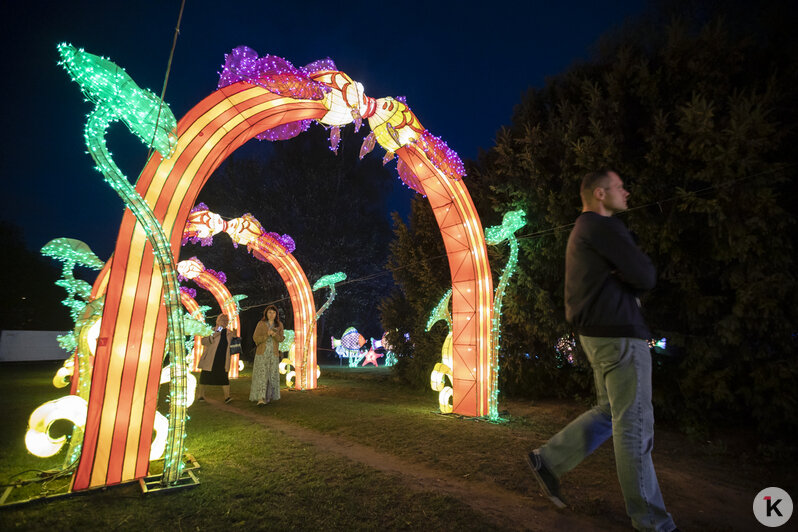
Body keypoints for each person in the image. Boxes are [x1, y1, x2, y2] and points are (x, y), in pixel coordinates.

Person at [526, 169, 678, 532]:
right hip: (621, 337)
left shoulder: (583, 232)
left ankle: (548, 461)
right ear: (599, 193)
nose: (626, 192)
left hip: (598, 337)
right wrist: (628, 281)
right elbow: (645, 275)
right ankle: (652, 523)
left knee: (610, 412)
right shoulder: (602, 226)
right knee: (633, 426)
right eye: (619, 187)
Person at [197, 313, 236, 403]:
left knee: (224, 378)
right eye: (222, 320)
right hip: (211, 358)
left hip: (223, 359)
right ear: (217, 321)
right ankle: (200, 395)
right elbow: (204, 341)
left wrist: (235, 337)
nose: (224, 322)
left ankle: (227, 397)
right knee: (205, 377)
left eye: (226, 320)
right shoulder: (211, 330)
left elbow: (233, 346)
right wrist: (215, 334)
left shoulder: (229, 333)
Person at [251, 305, 285, 406]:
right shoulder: (261, 324)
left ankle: (268, 396)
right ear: (266, 313)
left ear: (276, 314)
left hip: (273, 354)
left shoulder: (279, 325)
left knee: (271, 375)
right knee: (262, 375)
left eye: (273, 313)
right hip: (262, 353)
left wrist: (275, 335)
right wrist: (267, 335)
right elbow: (255, 338)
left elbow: (281, 339)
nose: (271, 315)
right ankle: (260, 398)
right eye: (269, 312)